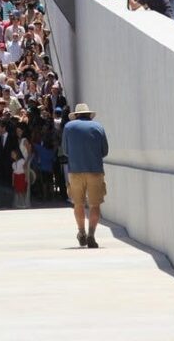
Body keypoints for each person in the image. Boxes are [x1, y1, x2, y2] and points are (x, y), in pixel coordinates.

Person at [62, 103, 108, 249]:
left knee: (78, 203)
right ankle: (91, 235)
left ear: (76, 115)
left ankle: (81, 233)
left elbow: (65, 150)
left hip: (75, 171)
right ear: (89, 115)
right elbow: (105, 151)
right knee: (95, 205)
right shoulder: (98, 127)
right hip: (95, 170)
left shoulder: (68, 127)